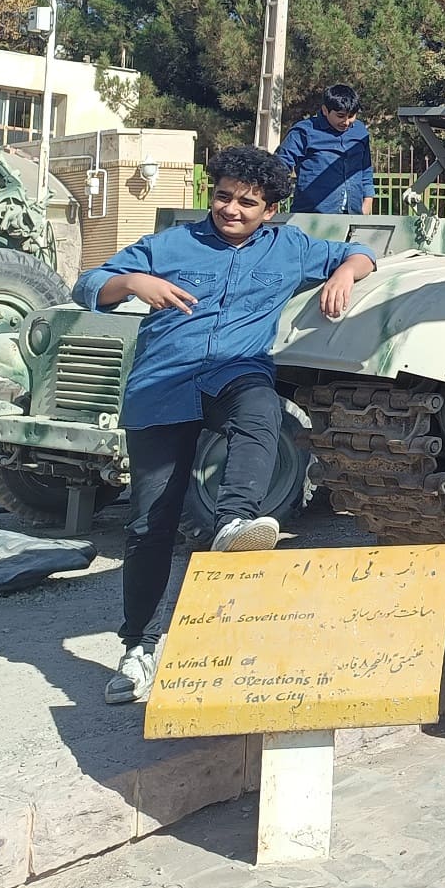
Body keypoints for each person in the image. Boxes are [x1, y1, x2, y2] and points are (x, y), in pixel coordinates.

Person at [81, 146, 378, 705]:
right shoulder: (170, 245)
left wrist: (343, 273)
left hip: (234, 373)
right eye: (223, 197)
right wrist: (135, 283)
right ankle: (139, 647)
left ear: (270, 210)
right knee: (149, 525)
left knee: (262, 407)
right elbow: (90, 283)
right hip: (163, 385)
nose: (231, 209)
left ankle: (234, 518)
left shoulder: (290, 247)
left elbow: (361, 252)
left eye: (247, 202)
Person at [274, 83, 375, 216]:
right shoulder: (304, 131)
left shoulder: (360, 131)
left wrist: (367, 202)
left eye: (351, 116)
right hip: (310, 215)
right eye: (340, 116)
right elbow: (280, 165)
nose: (346, 122)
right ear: (325, 110)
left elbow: (365, 169)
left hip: (353, 214)